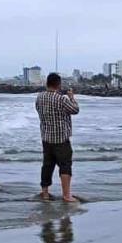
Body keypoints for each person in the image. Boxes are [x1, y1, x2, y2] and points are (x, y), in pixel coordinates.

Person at [35, 73, 80, 202]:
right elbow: (75, 110)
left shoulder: (39, 97)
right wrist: (71, 98)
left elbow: (38, 110)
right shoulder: (61, 99)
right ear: (58, 85)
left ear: (47, 83)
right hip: (61, 138)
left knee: (47, 165)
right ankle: (66, 195)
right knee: (65, 165)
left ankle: (45, 193)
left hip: (46, 137)